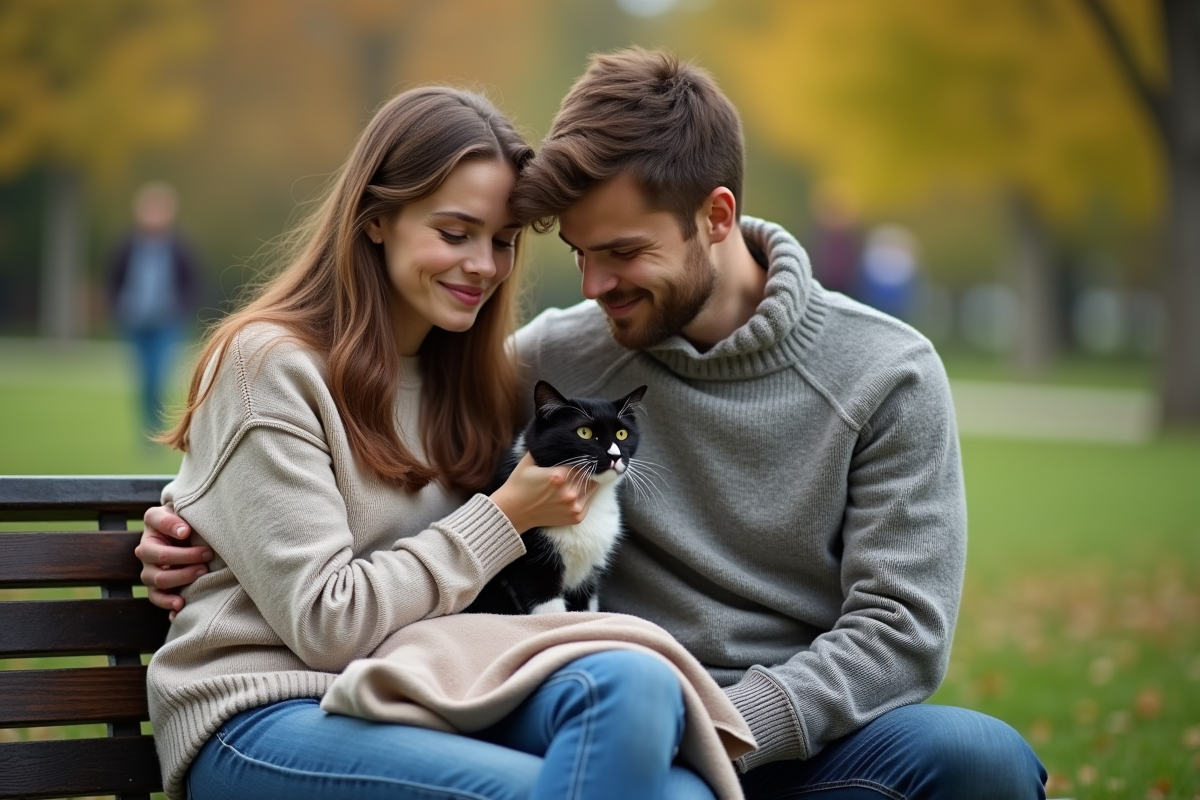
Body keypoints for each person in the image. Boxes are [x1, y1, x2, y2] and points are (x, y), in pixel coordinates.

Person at [138, 50, 1049, 799]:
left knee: (983, 762)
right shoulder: (553, 365)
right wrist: (187, 519)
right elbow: (280, 462)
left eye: (622, 253)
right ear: (378, 222)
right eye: (576, 255)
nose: (593, 287)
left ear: (717, 218)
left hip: (763, 727)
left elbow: (898, 629)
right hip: (598, 708)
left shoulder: (887, 373)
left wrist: (732, 727)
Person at [140, 85, 730, 800]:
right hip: (266, 709)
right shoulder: (271, 365)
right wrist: (505, 516)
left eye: (503, 241)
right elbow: (328, 625)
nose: (483, 265)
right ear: (378, 219)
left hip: (426, 686)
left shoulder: (480, 379)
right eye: (455, 234)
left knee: (666, 754)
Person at [106, 181, 201, 435]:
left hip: (167, 321)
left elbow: (193, 281)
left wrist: (180, 307)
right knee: (144, 378)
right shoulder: (127, 245)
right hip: (135, 321)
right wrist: (118, 307)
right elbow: (112, 279)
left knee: (158, 375)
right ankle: (147, 427)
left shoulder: (180, 246)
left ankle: (157, 427)